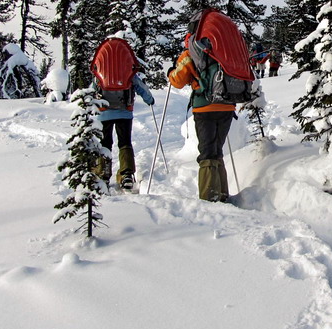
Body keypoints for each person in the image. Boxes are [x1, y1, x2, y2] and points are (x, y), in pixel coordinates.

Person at [168, 30, 237, 203]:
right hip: (227, 106)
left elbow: (177, 81)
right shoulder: (226, 51)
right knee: (216, 150)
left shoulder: (191, 52)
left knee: (207, 152)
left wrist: (171, 72)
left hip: (204, 108)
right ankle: (222, 195)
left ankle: (209, 199)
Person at [95, 56, 154, 193]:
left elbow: (93, 88)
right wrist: (149, 99)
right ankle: (126, 175)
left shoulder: (101, 71)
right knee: (124, 142)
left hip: (104, 112)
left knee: (105, 143)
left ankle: (103, 174)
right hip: (124, 112)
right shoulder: (127, 71)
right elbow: (140, 87)